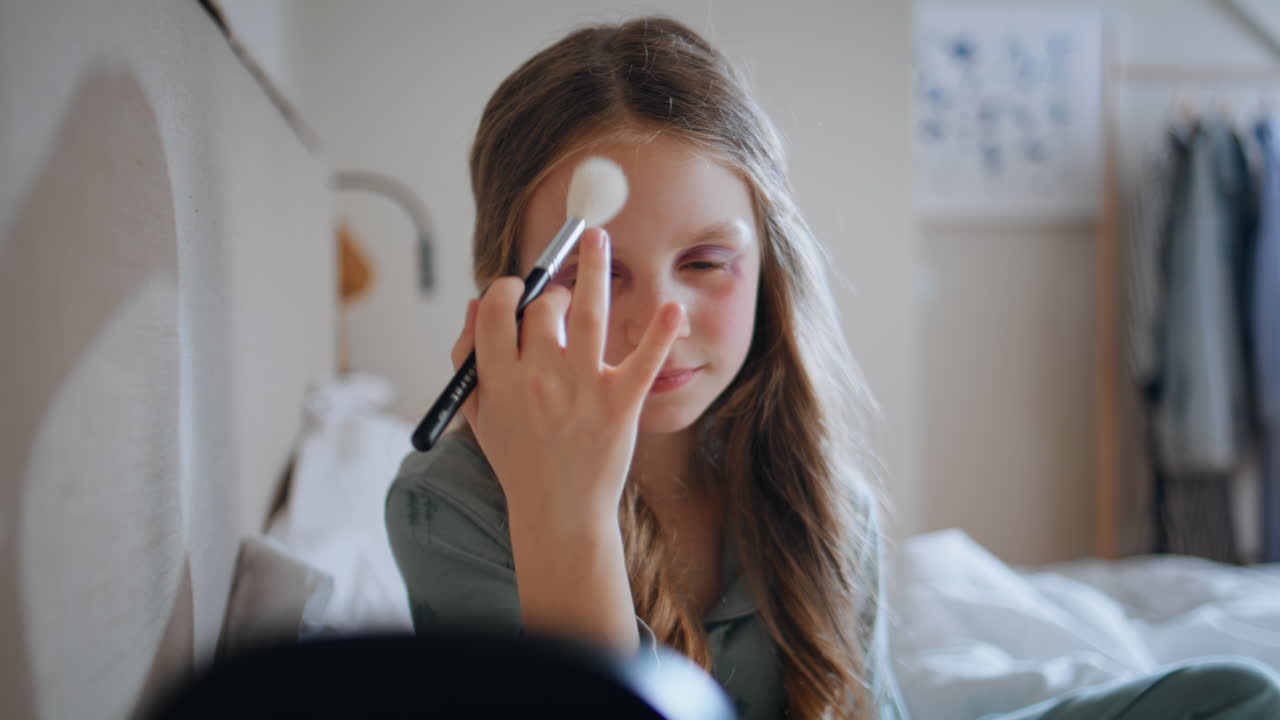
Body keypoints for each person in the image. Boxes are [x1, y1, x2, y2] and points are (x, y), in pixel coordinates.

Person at [386, 16, 1280, 720]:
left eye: (705, 264)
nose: (663, 321)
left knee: (1240, 694)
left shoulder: (819, 496)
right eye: (592, 275)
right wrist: (565, 509)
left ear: (768, 271)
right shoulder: (448, 508)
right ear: (510, 287)